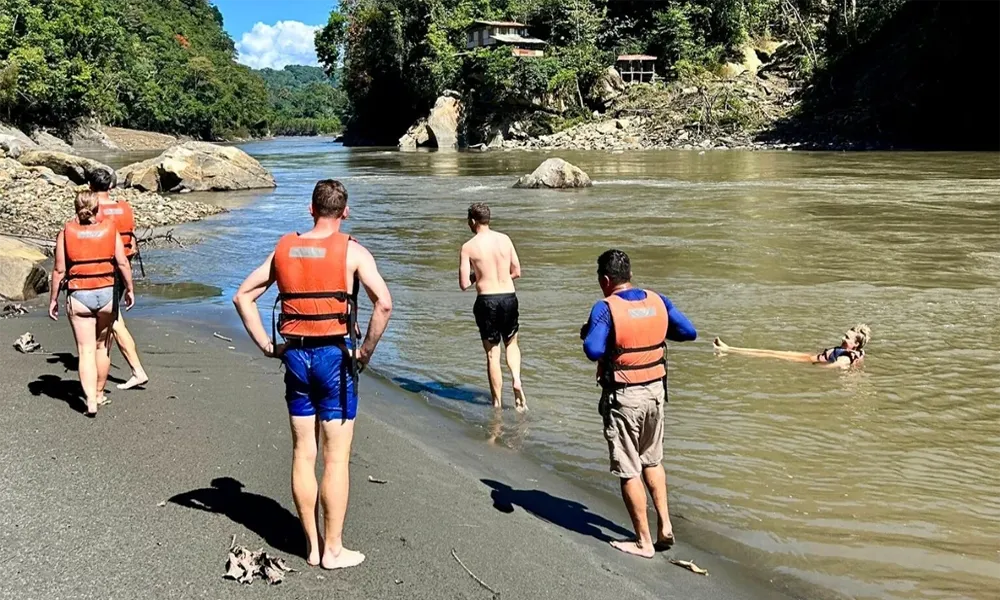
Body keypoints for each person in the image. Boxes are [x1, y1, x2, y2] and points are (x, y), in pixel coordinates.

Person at [233, 180, 392, 570]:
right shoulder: (353, 252)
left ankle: (312, 545)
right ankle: (333, 551)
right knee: (335, 459)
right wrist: (364, 354)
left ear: (310, 209)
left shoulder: (284, 249)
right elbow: (383, 304)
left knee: (304, 453)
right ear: (346, 212)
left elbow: (242, 296)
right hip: (335, 360)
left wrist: (268, 347)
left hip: (297, 358)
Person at [580, 249, 696, 558]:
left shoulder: (605, 308)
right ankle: (665, 526)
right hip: (656, 393)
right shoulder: (658, 300)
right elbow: (689, 332)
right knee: (653, 460)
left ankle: (644, 542)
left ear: (606, 280)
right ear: (629, 274)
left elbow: (592, 349)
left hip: (625, 397)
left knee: (629, 467)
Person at [48, 192, 136, 417]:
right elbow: (123, 262)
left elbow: (59, 270)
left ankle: (90, 402)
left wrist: (53, 300)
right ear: (97, 209)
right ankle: (98, 393)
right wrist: (130, 290)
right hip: (107, 293)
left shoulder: (65, 233)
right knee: (101, 346)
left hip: (79, 296)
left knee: (85, 350)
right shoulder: (109, 229)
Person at [459, 203, 527, 412]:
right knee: (512, 343)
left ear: (472, 221)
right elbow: (517, 271)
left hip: (487, 300)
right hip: (509, 296)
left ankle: (497, 403)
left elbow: (463, 283)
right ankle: (516, 379)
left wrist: (476, 275)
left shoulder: (468, 247)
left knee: (492, 354)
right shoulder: (505, 239)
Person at [90, 168, 149, 391]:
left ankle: (137, 370)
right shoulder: (124, 208)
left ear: (90, 187)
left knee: (113, 321)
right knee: (111, 319)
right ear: (112, 187)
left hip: (103, 272)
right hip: (123, 270)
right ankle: (103, 363)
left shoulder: (93, 210)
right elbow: (131, 244)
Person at [713, 324, 870, 368]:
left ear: (855, 344)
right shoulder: (856, 353)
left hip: (807, 360)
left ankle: (728, 350)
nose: (842, 338)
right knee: (770, 352)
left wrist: (817, 366)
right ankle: (728, 348)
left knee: (769, 354)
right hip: (808, 356)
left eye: (847, 338)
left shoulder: (846, 357)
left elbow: (837, 365)